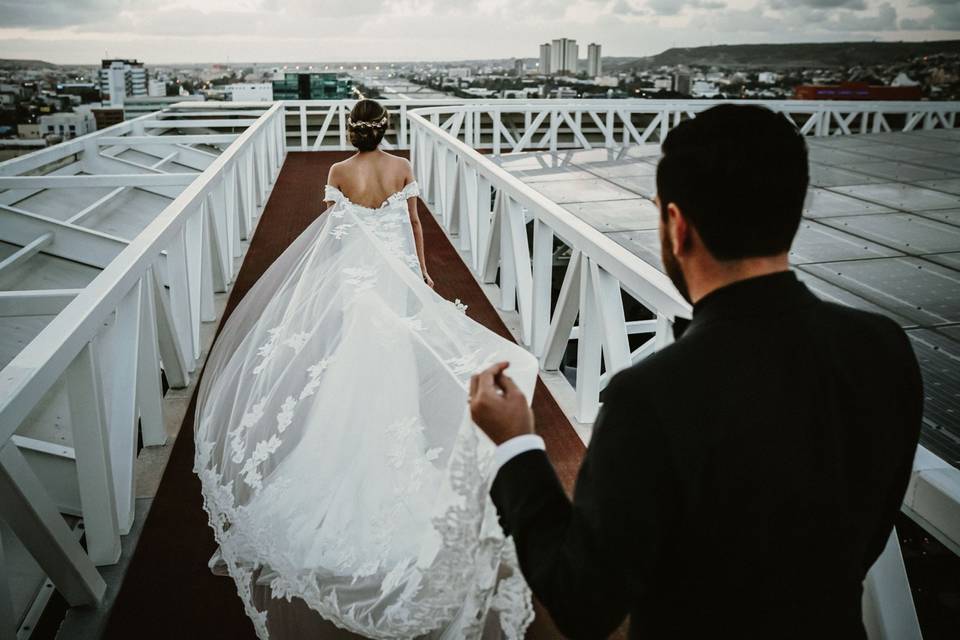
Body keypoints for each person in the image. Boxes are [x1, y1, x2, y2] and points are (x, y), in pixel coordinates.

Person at [469, 104, 924, 639]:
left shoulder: (649, 396)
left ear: (677, 226)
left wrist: (516, 446)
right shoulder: (882, 348)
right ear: (792, 213)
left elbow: (581, 604)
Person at [194, 99, 539, 639]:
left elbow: (335, 233)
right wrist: (421, 274)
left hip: (358, 278)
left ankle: (346, 444)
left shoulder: (336, 171)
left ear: (350, 131)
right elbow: (413, 225)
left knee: (351, 358)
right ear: (385, 131)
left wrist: (332, 281)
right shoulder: (401, 166)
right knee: (395, 357)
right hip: (395, 276)